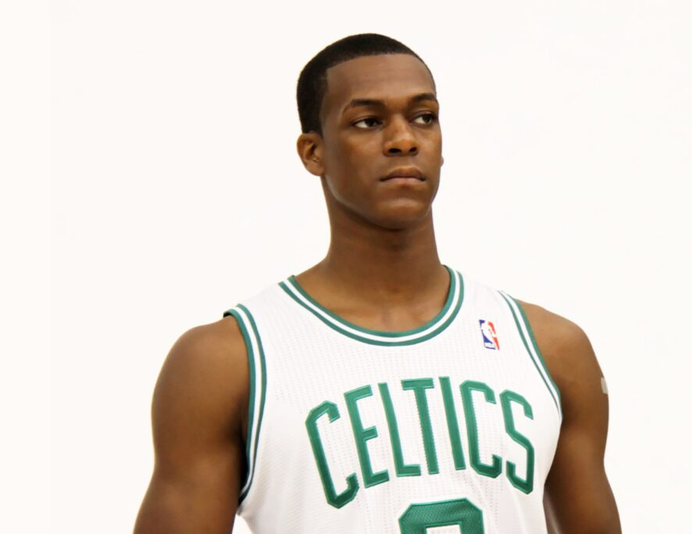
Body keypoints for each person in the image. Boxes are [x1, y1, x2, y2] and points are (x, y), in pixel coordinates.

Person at [134, 33, 622, 534]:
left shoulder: (550, 349)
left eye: (423, 117)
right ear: (313, 152)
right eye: (368, 121)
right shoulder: (228, 362)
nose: (404, 140)